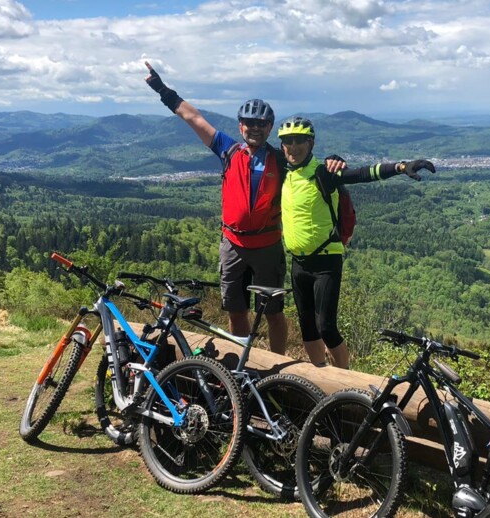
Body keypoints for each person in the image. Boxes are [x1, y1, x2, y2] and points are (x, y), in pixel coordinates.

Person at [143, 62, 341, 355]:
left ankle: (275, 366)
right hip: (232, 244)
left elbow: (310, 164)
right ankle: (243, 365)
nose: (255, 128)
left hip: (267, 246)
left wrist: (335, 160)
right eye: (249, 123)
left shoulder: (281, 159)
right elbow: (193, 118)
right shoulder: (229, 150)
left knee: (273, 312)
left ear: (269, 128)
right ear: (240, 126)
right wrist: (162, 90)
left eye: (261, 124)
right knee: (236, 310)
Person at [276, 116, 435, 369]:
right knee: (307, 327)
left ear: (311, 142)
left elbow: (362, 174)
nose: (293, 147)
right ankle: (319, 377)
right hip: (298, 262)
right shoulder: (284, 171)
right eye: (287, 141)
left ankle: (344, 384)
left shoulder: (323, 173)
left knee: (326, 328)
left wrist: (400, 167)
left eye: (300, 141)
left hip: (326, 259)